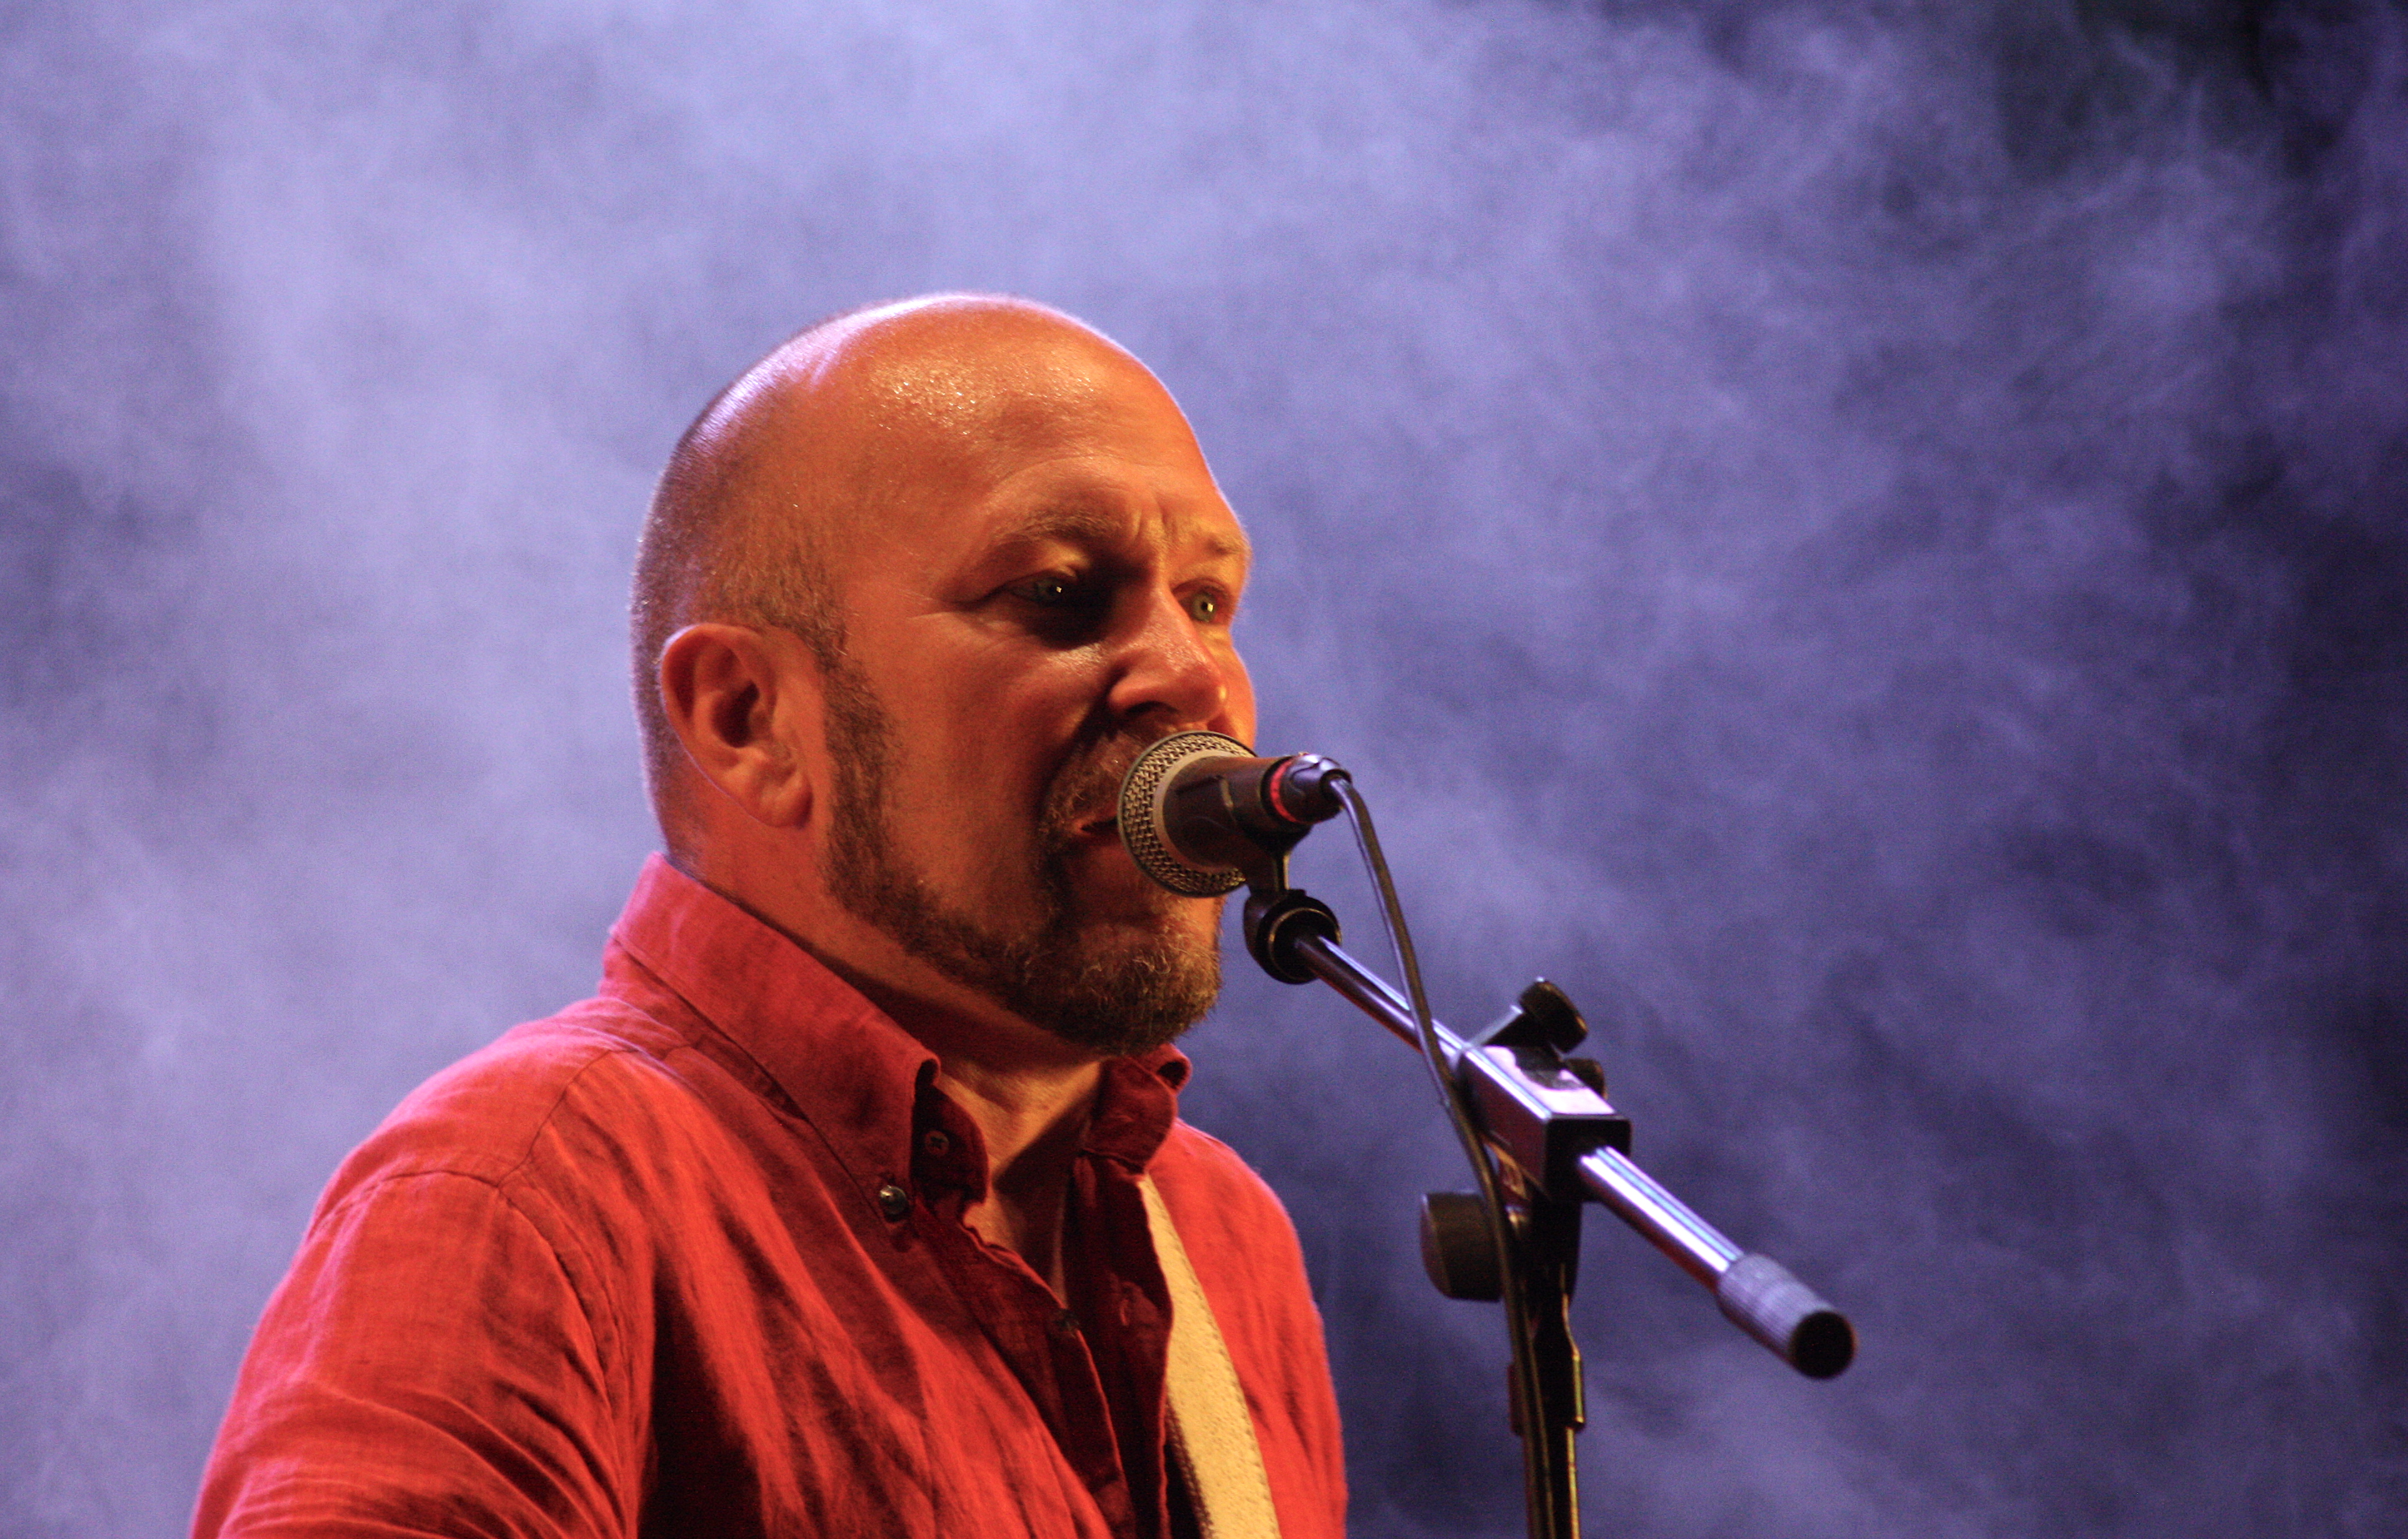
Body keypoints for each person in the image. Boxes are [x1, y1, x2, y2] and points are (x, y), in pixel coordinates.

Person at [191, 295, 1348, 1538]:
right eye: (1059, 593)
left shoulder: (1223, 1236)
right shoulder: (520, 1197)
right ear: (749, 719)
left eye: (1207, 600)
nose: (1191, 676)